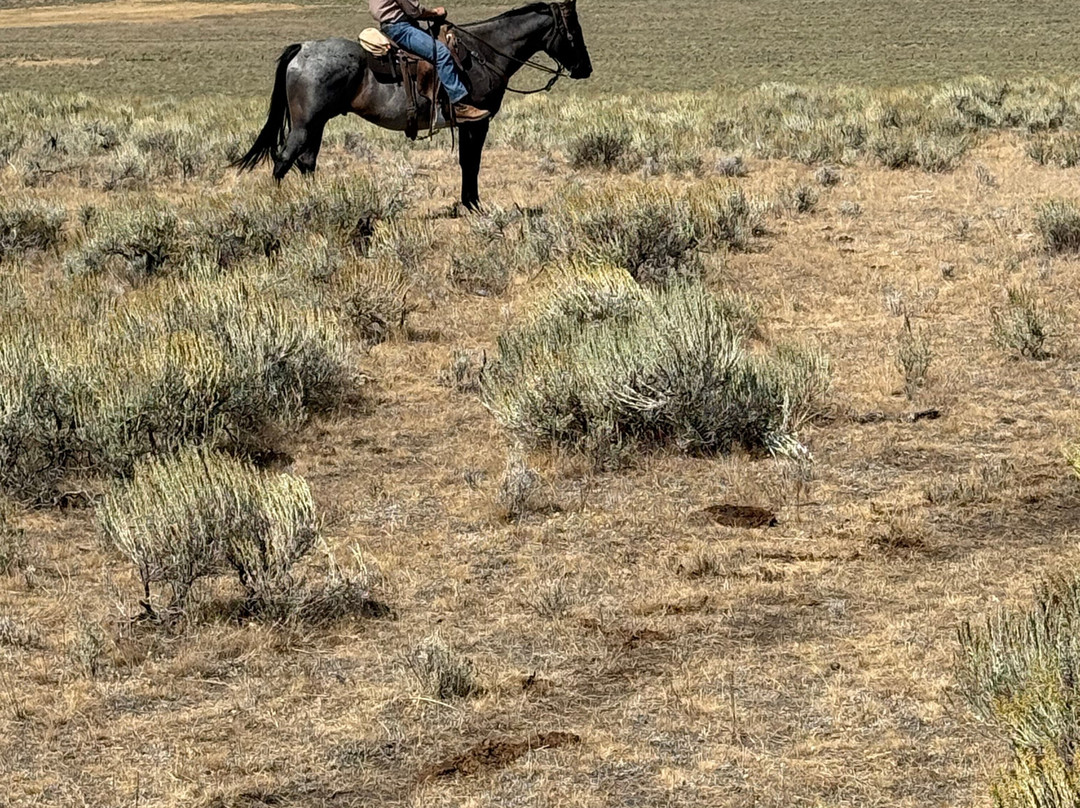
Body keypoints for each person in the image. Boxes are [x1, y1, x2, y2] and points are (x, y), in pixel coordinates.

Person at [369, 0, 491, 122]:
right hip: (400, 28)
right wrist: (435, 12)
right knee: (441, 53)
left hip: (391, 25)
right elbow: (414, 10)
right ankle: (458, 105)